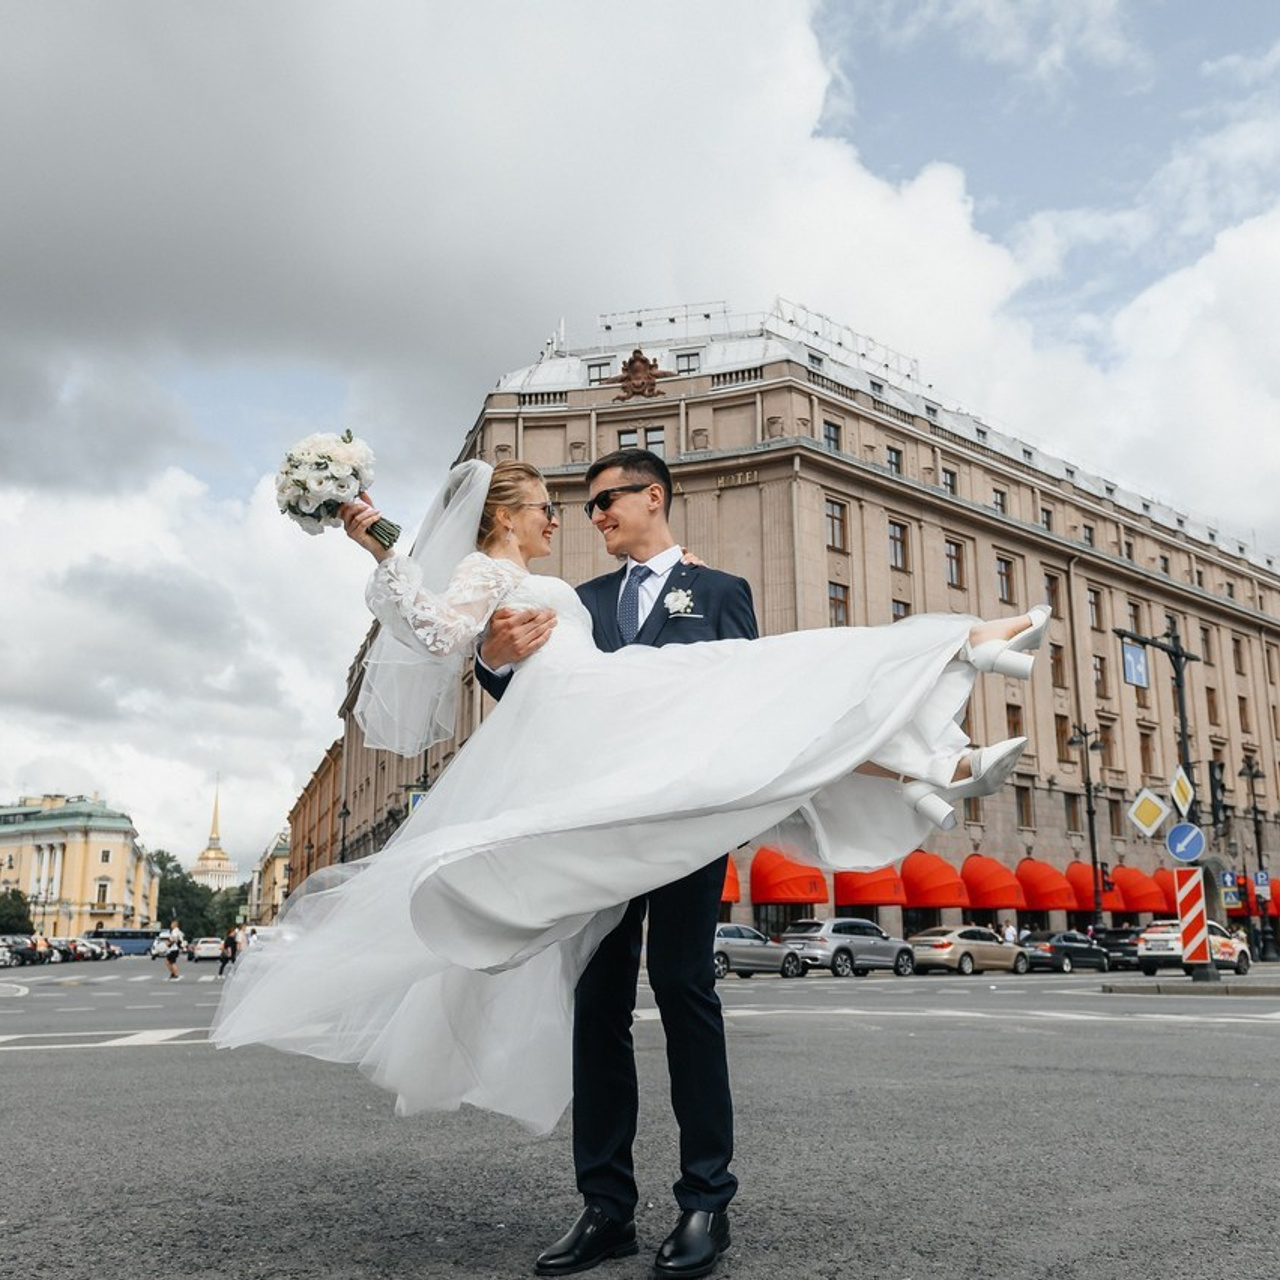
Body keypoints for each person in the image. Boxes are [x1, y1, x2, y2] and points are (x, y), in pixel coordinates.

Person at [212, 454, 1046, 1278]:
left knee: (689, 986)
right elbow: (519, 683)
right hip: (589, 807)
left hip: (676, 815)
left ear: (654, 497)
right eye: (571, 506)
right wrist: (494, 655)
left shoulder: (721, 592)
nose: (587, 516)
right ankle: (605, 1207)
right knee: (598, 1004)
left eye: (605, 500)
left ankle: (704, 1201)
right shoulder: (579, 598)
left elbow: (759, 713)